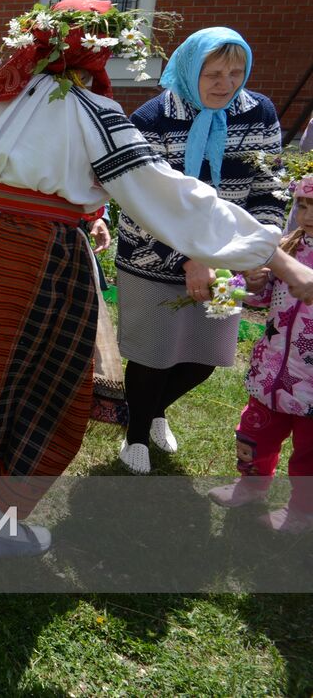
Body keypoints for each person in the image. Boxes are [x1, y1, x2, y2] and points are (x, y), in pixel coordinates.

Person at [0, 0, 313, 557]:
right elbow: (169, 193)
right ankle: (5, 524)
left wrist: (88, 215)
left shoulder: (2, 96)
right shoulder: (94, 112)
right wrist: (277, 256)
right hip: (27, 256)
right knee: (36, 378)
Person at [113, 27, 283, 474]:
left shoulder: (258, 113)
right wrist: (189, 259)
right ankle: (135, 437)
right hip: (151, 257)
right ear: (191, 71)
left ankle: (151, 411)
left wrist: (260, 249)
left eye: (236, 72)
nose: (226, 84)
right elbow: (139, 203)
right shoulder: (152, 118)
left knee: (205, 356)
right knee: (152, 354)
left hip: (226, 258)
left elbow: (269, 187)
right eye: (213, 74)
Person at [208, 173, 313, 534]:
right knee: (254, 433)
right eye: (302, 206)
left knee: (309, 453)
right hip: (271, 373)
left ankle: (303, 510)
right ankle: (251, 486)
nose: (308, 215)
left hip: (310, 383)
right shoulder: (286, 250)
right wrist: (253, 284)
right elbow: (262, 299)